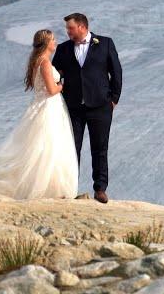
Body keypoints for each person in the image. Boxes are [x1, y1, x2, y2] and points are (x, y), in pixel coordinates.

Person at [0, 29, 78, 199]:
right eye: (53, 39)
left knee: (39, 145)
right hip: (49, 107)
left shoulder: (37, 61)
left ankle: (46, 184)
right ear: (47, 43)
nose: (56, 42)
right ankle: (46, 187)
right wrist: (65, 84)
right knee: (48, 146)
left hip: (41, 105)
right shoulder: (45, 63)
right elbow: (51, 89)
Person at [52, 12, 122, 204]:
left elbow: (116, 72)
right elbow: (54, 73)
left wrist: (113, 99)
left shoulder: (105, 43)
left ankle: (100, 189)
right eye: (67, 29)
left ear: (82, 27)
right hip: (73, 107)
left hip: (100, 106)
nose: (68, 32)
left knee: (100, 148)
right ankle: (69, 187)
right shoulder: (64, 49)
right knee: (71, 148)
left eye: (70, 28)